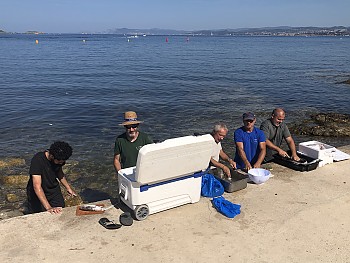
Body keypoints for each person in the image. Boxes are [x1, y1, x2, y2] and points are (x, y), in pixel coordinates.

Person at [26, 141, 76, 214]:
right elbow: (37, 186)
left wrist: (68, 188)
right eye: (59, 161)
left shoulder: (60, 158)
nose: (61, 163)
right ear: (52, 156)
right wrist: (48, 207)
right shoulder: (38, 160)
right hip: (36, 192)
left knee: (60, 210)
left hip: (53, 189)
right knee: (37, 214)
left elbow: (59, 172)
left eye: (63, 161)